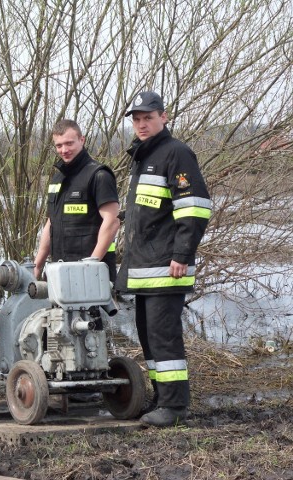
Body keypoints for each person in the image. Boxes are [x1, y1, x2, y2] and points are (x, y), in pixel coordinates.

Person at [115, 91, 212, 427]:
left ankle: (174, 406)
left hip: (167, 267)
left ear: (164, 117)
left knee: (164, 336)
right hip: (144, 269)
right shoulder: (143, 157)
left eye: (148, 117)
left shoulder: (177, 153)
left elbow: (196, 209)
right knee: (148, 335)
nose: (142, 124)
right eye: (137, 119)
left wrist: (182, 255)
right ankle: (161, 398)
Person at [34, 120, 120, 287]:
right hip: (60, 271)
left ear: (82, 140)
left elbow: (112, 222)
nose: (64, 150)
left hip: (94, 275)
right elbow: (51, 223)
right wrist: (38, 265)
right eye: (59, 146)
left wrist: (91, 266)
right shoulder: (57, 179)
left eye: (69, 143)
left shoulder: (99, 175)